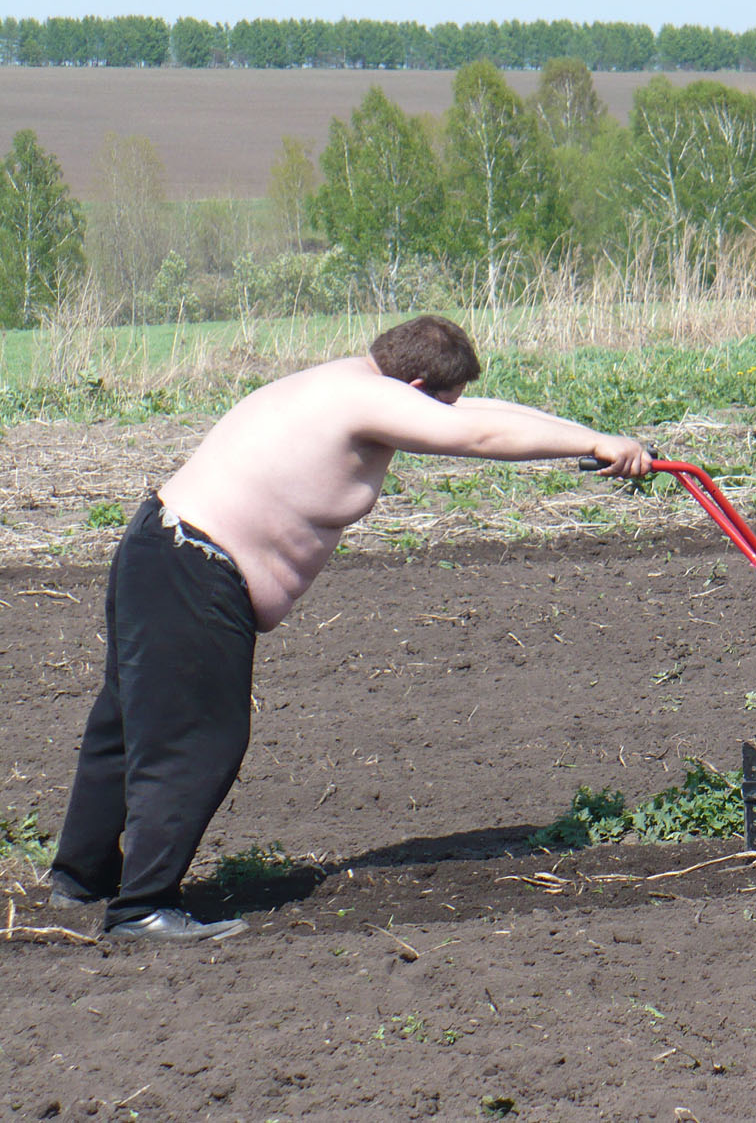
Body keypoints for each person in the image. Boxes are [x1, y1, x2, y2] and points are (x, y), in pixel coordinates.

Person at [48, 315, 651, 942]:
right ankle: (142, 907)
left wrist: (594, 438)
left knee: (125, 721)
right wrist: (598, 443)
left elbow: (479, 410)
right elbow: (477, 431)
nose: (447, 411)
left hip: (162, 550)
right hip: (191, 567)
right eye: (439, 401)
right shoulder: (367, 399)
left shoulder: (350, 380)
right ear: (414, 385)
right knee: (197, 737)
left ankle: (82, 876)